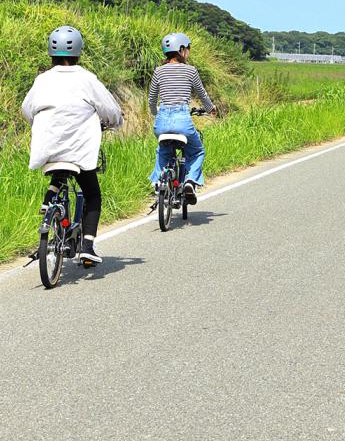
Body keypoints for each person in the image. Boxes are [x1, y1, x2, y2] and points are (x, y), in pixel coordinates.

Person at [22, 25, 123, 266]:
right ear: (79, 51)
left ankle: (50, 198)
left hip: (48, 150)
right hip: (79, 152)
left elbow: (27, 110)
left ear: (51, 52)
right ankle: (87, 246)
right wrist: (113, 122)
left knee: (59, 170)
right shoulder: (87, 79)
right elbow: (110, 110)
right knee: (92, 194)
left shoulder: (42, 80)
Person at [148, 31, 216, 205]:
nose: (189, 52)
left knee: (163, 150)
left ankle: (158, 182)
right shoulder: (191, 71)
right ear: (181, 49)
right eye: (188, 49)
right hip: (182, 121)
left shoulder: (158, 71)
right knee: (197, 150)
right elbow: (202, 94)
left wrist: (155, 113)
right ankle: (189, 182)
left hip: (162, 122)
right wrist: (210, 109)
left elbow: (152, 98)